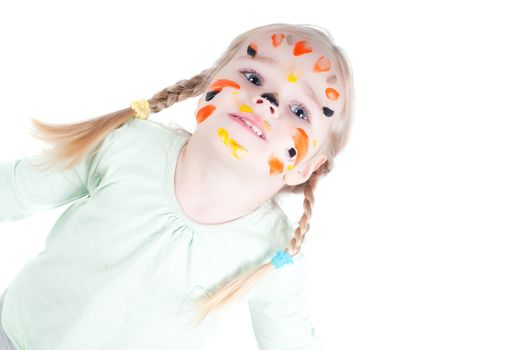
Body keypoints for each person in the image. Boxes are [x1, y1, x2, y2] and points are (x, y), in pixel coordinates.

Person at [0, 22, 354, 350]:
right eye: (252, 76)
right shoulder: (125, 146)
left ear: (307, 168)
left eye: (300, 111)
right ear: (208, 87)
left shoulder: (274, 256)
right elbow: (14, 190)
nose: (268, 103)